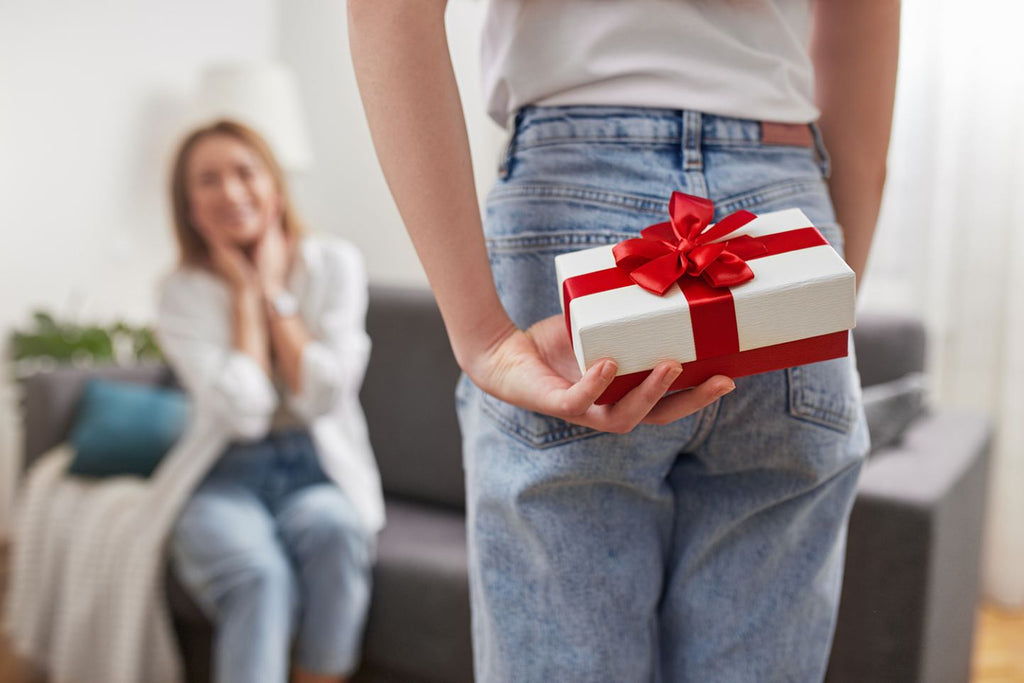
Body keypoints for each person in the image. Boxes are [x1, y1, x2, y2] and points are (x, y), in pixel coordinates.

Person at [348, 0, 898, 681]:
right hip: (784, 212)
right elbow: (862, 35)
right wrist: (821, 305)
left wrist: (484, 337)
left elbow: (386, 11)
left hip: (570, 193)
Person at [156, 119, 384, 683]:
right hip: (221, 475)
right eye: (208, 181)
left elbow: (323, 395)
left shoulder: (334, 264)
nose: (231, 193)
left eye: (244, 172)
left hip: (317, 469)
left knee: (336, 532)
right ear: (189, 208)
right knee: (258, 573)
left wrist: (276, 295)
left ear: (275, 187)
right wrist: (243, 297)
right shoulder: (179, 292)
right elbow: (247, 414)